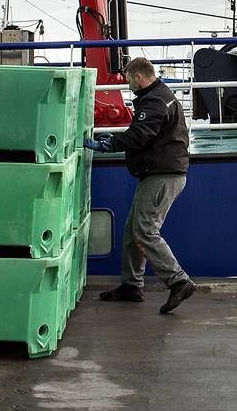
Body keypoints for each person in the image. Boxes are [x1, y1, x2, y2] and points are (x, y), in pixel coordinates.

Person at [84, 55, 199, 313]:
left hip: (162, 175)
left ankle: (178, 281)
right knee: (131, 232)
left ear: (138, 76)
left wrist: (109, 143)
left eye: (128, 79)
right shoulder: (158, 96)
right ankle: (131, 285)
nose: (127, 85)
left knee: (145, 230)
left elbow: (140, 135)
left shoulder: (155, 101)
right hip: (159, 172)